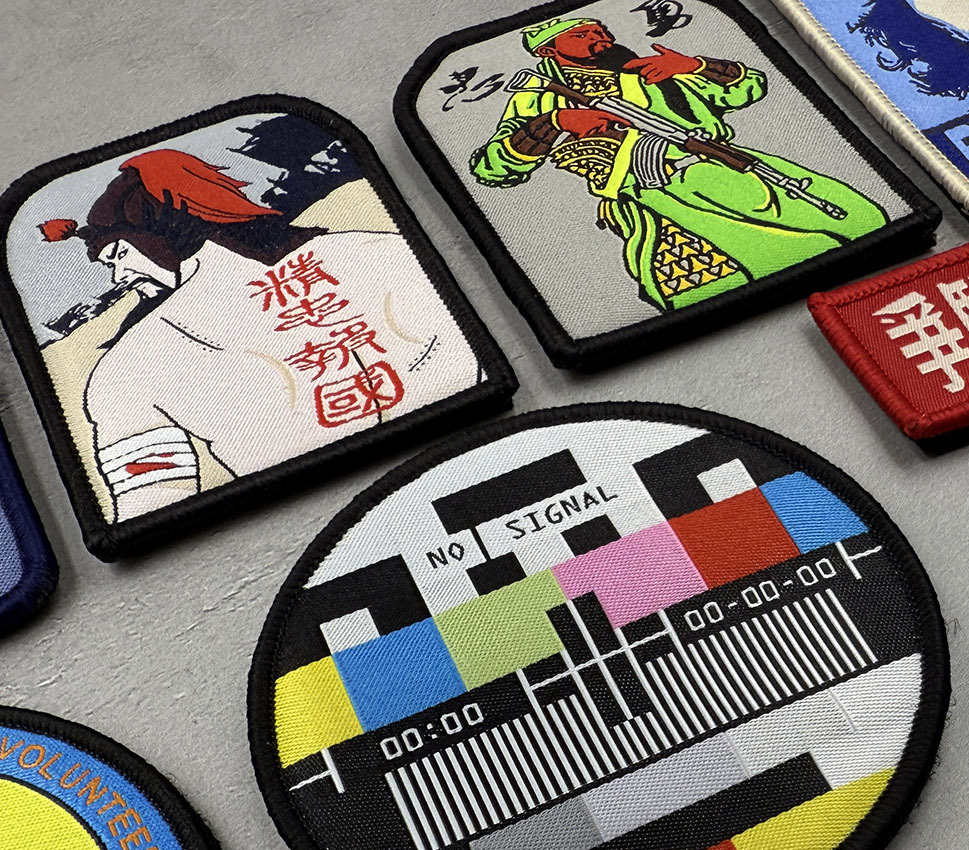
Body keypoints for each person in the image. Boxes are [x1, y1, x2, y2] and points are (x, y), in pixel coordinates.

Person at [40, 149, 478, 524]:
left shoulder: (126, 370)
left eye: (120, 253)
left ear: (162, 234)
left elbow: (149, 510)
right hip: (464, 468)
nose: (120, 275)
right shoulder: (381, 251)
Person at [469, 16, 889, 312]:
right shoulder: (537, 97)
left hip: (731, 167)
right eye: (583, 35)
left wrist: (695, 65)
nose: (600, 38)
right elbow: (492, 169)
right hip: (648, 197)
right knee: (713, 279)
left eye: (601, 31)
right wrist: (558, 121)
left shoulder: (648, 69)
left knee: (858, 220)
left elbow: (747, 89)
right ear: (549, 49)